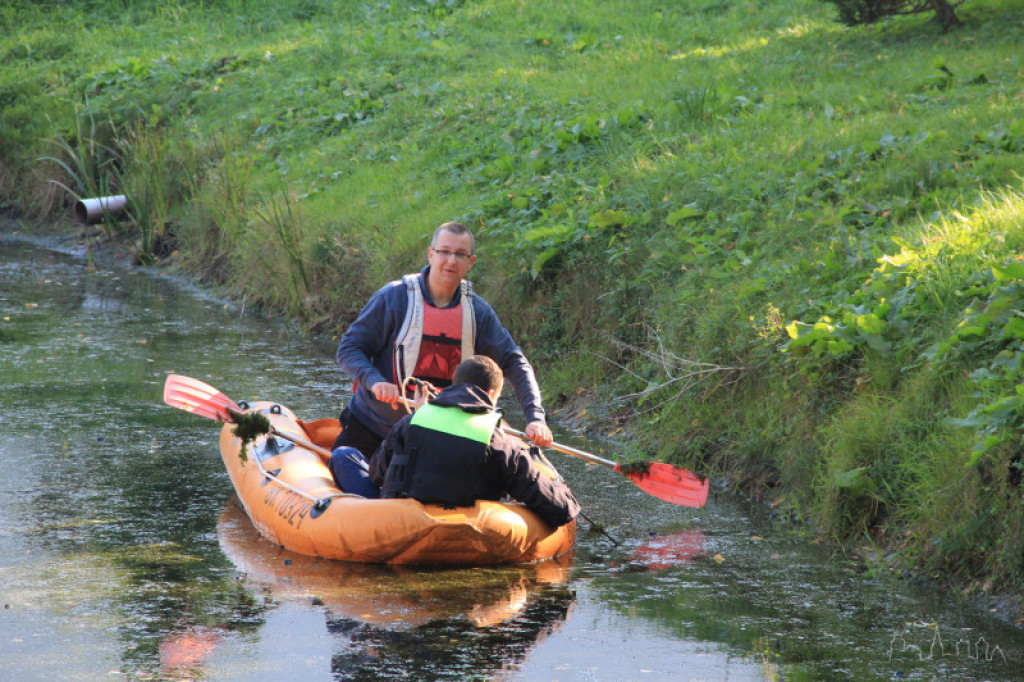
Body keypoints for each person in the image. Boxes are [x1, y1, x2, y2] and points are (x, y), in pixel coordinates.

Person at [331, 221, 553, 465]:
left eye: (460, 254)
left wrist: (535, 418)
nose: (451, 261)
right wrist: (375, 381)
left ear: (471, 262)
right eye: (444, 252)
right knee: (342, 464)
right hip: (373, 427)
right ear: (431, 254)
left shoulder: (478, 313)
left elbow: (514, 362)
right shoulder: (393, 298)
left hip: (442, 436)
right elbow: (349, 348)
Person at [333, 355, 579, 529]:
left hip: (399, 521)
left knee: (343, 455)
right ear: (491, 394)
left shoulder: (411, 422)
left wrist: (419, 413)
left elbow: (377, 473)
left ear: (455, 383)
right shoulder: (500, 441)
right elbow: (560, 509)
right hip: (468, 529)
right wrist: (560, 485)